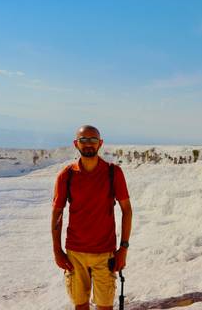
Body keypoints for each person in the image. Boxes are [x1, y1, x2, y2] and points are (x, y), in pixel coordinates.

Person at [51, 125, 132, 310]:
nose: (88, 144)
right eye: (84, 140)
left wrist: (124, 248)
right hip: (75, 254)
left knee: (105, 306)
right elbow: (57, 213)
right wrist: (57, 250)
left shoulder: (113, 173)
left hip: (105, 254)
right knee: (81, 306)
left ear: (100, 143)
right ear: (76, 144)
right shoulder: (67, 175)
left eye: (93, 140)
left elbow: (127, 210)